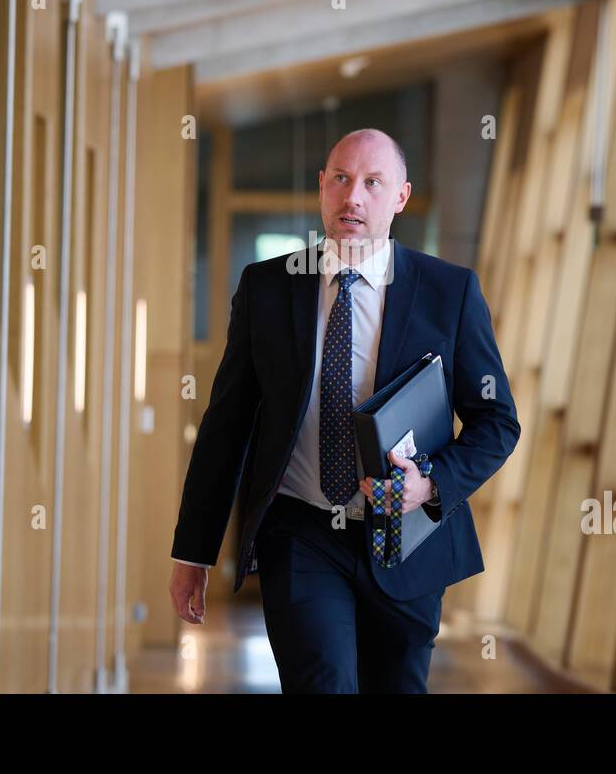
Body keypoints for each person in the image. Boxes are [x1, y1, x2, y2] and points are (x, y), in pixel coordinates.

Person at [168, 127, 520, 693]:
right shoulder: (268, 288)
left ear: (400, 197)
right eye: (341, 178)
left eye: (372, 182)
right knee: (321, 682)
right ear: (321, 189)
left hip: (408, 538)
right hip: (302, 532)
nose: (353, 195)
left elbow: (497, 422)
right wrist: (194, 551)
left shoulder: (448, 292)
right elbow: (226, 426)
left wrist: (429, 484)